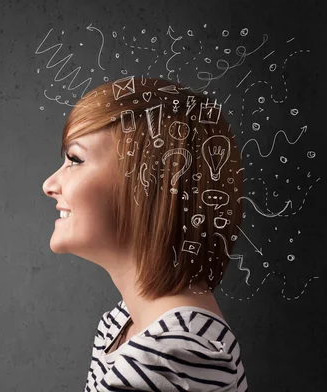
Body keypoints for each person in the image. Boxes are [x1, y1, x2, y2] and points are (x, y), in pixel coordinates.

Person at [42, 76, 248, 391]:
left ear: (147, 185)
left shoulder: (170, 358)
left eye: (74, 160)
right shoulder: (122, 327)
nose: (49, 185)